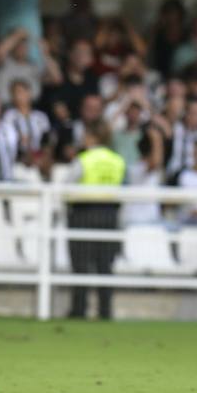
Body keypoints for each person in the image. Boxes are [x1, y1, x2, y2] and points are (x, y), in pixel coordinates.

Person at [65, 121, 126, 320]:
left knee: (81, 265)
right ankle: (105, 311)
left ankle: (79, 310)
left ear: (92, 137)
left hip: (84, 213)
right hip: (109, 215)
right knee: (105, 266)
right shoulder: (118, 160)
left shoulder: (84, 159)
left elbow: (65, 187)